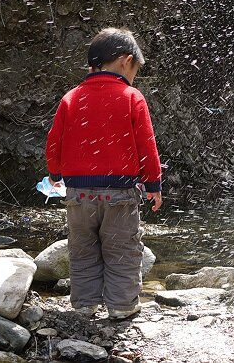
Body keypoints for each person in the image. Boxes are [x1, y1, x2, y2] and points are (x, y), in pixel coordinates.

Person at [45, 27, 162, 320]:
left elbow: (54, 140)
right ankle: (122, 306)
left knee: (82, 249)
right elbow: (146, 144)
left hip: (78, 194)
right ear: (125, 61)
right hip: (120, 193)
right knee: (122, 249)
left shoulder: (71, 97)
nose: (134, 75)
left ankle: (85, 304)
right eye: (135, 68)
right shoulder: (131, 96)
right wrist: (153, 183)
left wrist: (54, 172)